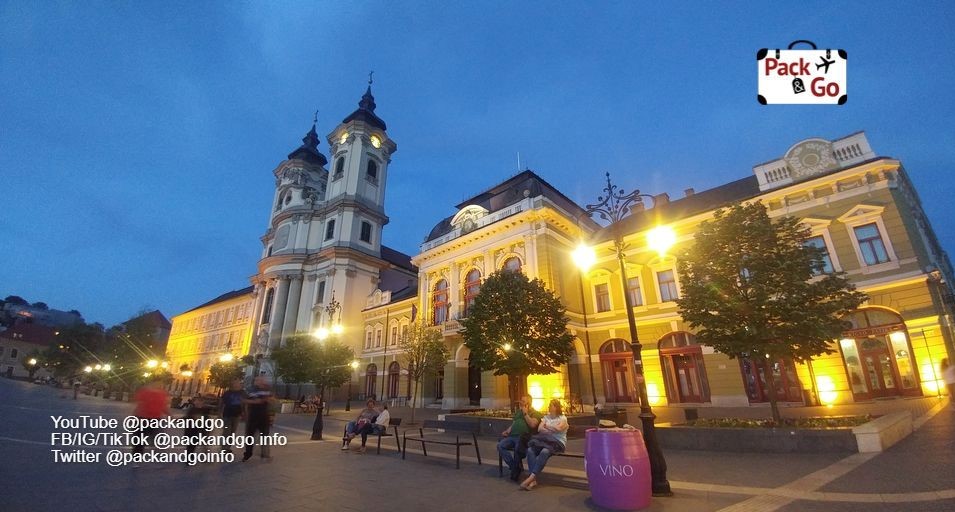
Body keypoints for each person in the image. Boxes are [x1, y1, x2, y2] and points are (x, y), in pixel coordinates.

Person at [521, 398, 569, 491]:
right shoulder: (546, 417)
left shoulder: (562, 418)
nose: (549, 406)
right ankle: (533, 480)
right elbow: (540, 429)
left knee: (544, 451)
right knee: (530, 450)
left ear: (556, 407)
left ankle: (531, 477)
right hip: (545, 441)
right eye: (549, 405)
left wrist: (547, 426)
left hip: (557, 442)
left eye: (551, 405)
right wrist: (552, 428)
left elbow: (559, 429)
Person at [497, 395, 542, 481]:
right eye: (521, 401)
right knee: (500, 445)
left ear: (529, 403)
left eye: (523, 401)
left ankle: (515, 470)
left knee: (518, 448)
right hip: (512, 436)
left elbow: (532, 424)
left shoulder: (535, 413)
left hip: (523, 438)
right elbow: (514, 423)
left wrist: (525, 413)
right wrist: (507, 431)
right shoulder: (518, 412)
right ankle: (514, 467)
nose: (521, 402)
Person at [131, 378, 170, 466]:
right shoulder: (144, 392)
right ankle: (136, 459)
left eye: (161, 383)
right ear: (153, 383)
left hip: (156, 419)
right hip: (142, 418)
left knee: (158, 438)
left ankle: (158, 454)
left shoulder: (162, 394)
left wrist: (170, 415)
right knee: (139, 440)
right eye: (158, 383)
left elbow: (163, 406)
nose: (160, 385)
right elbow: (139, 404)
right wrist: (135, 416)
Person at [242, 377, 275, 461]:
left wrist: (269, 400)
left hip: (264, 416)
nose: (262, 382)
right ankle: (248, 454)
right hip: (253, 415)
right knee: (250, 436)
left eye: (263, 380)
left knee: (264, 436)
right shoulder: (250, 390)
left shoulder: (267, 390)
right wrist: (255, 402)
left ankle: (265, 454)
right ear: (256, 382)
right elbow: (244, 400)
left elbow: (273, 401)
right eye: (259, 381)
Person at [220, 378, 246, 452]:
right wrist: (219, 413)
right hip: (227, 414)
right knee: (226, 431)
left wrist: (244, 413)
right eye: (235, 383)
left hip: (237, 415)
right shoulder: (227, 393)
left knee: (232, 432)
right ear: (232, 384)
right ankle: (224, 448)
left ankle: (228, 447)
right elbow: (222, 402)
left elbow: (246, 403)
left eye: (238, 382)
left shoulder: (242, 393)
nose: (237, 384)